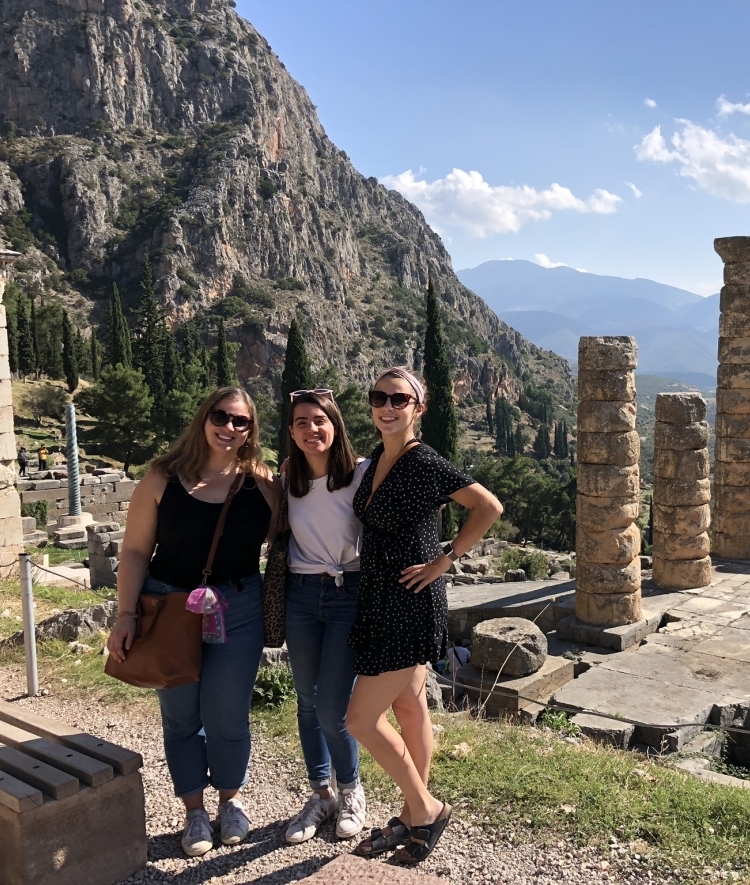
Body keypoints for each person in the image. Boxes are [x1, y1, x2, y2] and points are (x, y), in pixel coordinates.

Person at [106, 387, 278, 858]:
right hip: (169, 607)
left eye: (240, 421)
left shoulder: (262, 483)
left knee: (228, 713)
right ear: (204, 419)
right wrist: (125, 615)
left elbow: (294, 538)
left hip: (238, 608)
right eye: (221, 416)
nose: (229, 427)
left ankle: (231, 801)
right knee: (181, 715)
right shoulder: (164, 477)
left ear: (251, 429)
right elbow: (137, 549)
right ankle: (194, 810)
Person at [346, 367, 503, 865]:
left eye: (399, 398)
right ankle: (414, 815)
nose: (386, 406)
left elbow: (488, 507)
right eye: (379, 397)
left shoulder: (424, 463)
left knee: (360, 720)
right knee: (411, 709)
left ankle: (426, 808)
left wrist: (445, 558)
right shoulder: (374, 463)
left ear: (419, 409)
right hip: (379, 598)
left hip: (408, 605)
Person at [282, 389, 370, 845]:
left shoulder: (360, 474)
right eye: (301, 422)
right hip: (300, 595)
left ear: (335, 425)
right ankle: (321, 794)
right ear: (291, 432)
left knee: (335, 708)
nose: (310, 429)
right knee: (306, 699)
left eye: (319, 420)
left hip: (346, 594)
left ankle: (352, 791)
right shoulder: (288, 480)